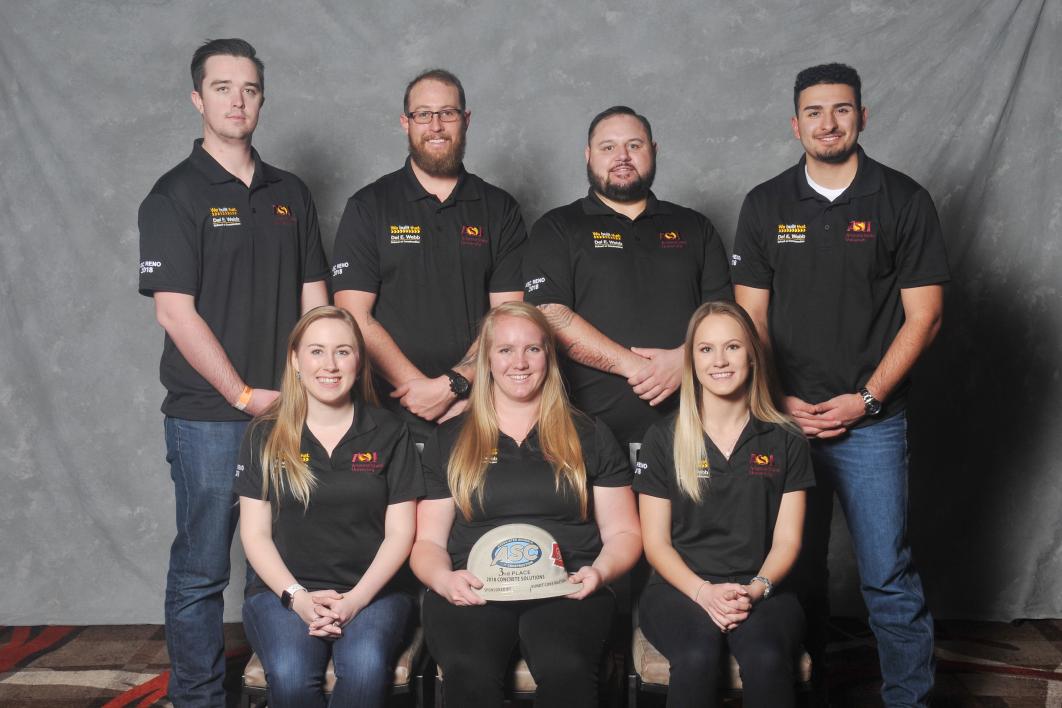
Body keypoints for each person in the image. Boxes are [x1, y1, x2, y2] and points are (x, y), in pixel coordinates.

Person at [732, 63, 949, 707]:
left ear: (862, 115)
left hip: (872, 425)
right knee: (794, 570)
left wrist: (867, 400)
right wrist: (779, 399)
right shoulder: (765, 204)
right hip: (784, 423)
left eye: (842, 110)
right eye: (815, 112)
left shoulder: (903, 200)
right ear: (794, 123)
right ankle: (814, 690)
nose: (829, 123)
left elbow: (926, 316)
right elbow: (751, 319)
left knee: (886, 574)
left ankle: (909, 700)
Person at [137, 38, 328, 705]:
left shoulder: (290, 192)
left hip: (291, 412)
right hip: (210, 417)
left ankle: (289, 687)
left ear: (261, 99)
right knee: (201, 570)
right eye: (222, 88)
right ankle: (198, 698)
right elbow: (176, 315)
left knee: (282, 561)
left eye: (248, 88)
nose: (237, 100)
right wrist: (244, 393)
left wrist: (310, 390)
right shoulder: (174, 195)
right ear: (198, 98)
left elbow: (316, 303)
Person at [411, 301, 642, 708]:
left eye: (532, 349)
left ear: (549, 357)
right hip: (474, 588)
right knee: (469, 670)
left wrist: (600, 573)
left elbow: (624, 533)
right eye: (505, 350)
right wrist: (444, 580)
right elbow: (427, 543)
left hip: (567, 587)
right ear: (486, 360)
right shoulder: (449, 438)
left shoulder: (589, 434)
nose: (520, 362)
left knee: (566, 667)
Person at [236, 306, 423, 708]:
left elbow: (401, 533)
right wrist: (297, 597)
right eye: (317, 351)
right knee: (289, 672)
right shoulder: (265, 434)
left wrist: (355, 599)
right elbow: (254, 534)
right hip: (281, 591)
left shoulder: (390, 431)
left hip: (375, 592)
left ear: (359, 360)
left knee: (366, 667)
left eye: (343, 351)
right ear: (295, 360)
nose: (330, 365)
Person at [332, 68, 527, 444]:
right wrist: (419, 389)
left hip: (477, 407)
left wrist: (456, 384)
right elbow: (354, 314)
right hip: (388, 412)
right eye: (423, 114)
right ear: (406, 123)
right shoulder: (369, 206)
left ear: (465, 120)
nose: (435, 126)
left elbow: (507, 317)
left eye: (447, 113)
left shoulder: (499, 208)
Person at [635, 301, 814, 707]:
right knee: (697, 656)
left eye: (732, 347)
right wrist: (703, 592)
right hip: (678, 589)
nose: (719, 360)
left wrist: (754, 591)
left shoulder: (786, 439)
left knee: (767, 658)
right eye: (705, 349)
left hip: (763, 586)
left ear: (752, 354)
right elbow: (656, 544)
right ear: (691, 360)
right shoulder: (663, 438)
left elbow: (787, 541)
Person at [522, 105, 731, 448]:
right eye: (608, 147)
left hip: (691, 434)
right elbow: (548, 315)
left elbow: (723, 317)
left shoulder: (695, 227)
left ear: (654, 151)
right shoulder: (557, 227)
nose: (622, 156)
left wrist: (686, 359)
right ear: (589, 155)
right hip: (586, 437)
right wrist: (636, 367)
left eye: (634, 145)